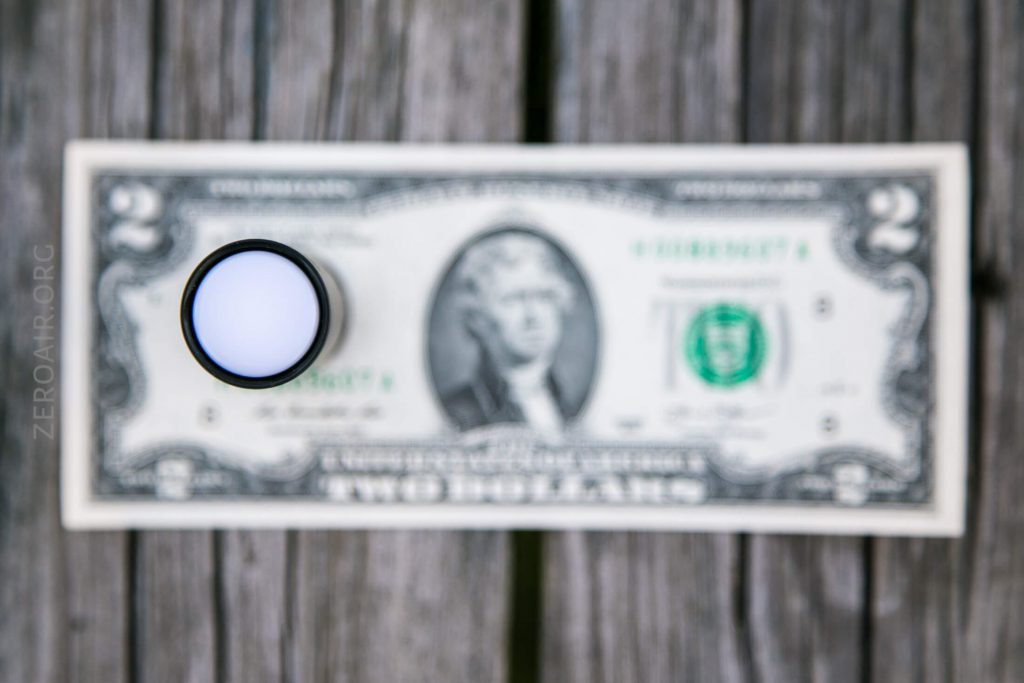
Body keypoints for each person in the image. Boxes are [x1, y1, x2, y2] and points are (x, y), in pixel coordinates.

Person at [442, 231, 575, 432]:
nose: (533, 315)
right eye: (513, 299)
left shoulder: (569, 406)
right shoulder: (458, 415)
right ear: (478, 318)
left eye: (543, 296)